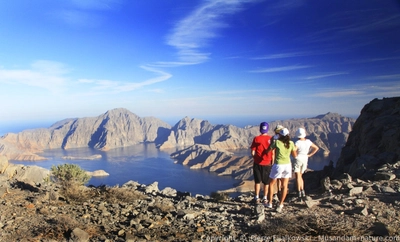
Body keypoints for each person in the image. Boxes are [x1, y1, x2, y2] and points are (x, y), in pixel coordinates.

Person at [265, 128, 297, 213]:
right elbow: (294, 155)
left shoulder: (277, 142)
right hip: (287, 166)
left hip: (278, 165)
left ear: (279, 135)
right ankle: (281, 204)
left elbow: (268, 151)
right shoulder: (291, 143)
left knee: (271, 184)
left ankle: (270, 202)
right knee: (285, 186)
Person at [250, 122, 274, 205]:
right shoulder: (271, 139)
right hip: (268, 164)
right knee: (266, 182)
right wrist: (272, 162)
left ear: (260, 129)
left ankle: (256, 197)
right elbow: (273, 152)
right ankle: (265, 198)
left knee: (257, 181)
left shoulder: (256, 138)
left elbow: (252, 152)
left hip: (257, 163)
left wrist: (255, 158)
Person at [294, 128, 319, 197]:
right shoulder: (308, 141)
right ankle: (302, 190)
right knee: (301, 176)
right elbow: (316, 148)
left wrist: (295, 156)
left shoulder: (297, 143)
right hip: (305, 159)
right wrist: (309, 155)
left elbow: (294, 150)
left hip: (298, 159)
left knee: (297, 176)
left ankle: (299, 191)